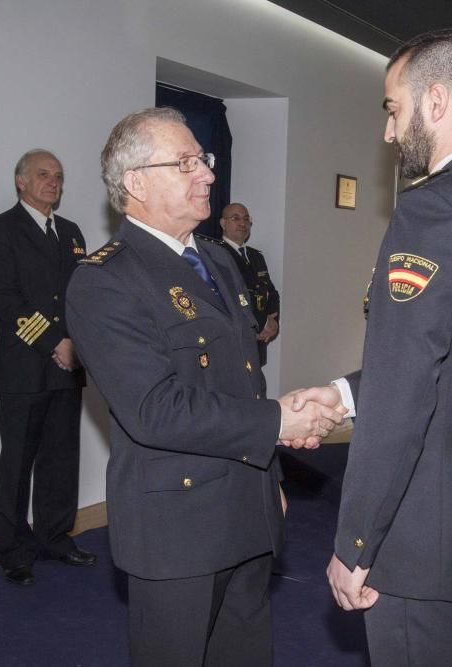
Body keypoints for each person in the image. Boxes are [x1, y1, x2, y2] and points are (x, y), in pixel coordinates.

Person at [290, 30, 452, 665]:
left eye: (392, 108)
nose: (388, 133)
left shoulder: (432, 212)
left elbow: (407, 394)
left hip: (424, 537)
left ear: (434, 101)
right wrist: (344, 393)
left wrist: (357, 543)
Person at [65, 107, 342, 667]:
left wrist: (269, 475)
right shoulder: (104, 280)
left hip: (246, 505)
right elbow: (154, 410)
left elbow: (241, 380)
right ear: (135, 183)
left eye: (205, 159)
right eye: (186, 162)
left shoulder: (216, 258)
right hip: (178, 525)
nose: (208, 174)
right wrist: (278, 423)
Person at [0, 149, 95, 587]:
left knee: (61, 459)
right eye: (44, 175)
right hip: (24, 367)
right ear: (20, 181)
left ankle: (55, 536)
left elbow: (82, 295)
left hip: (68, 367)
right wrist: (55, 343)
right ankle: (12, 549)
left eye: (59, 177)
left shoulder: (71, 232)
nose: (53, 182)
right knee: (17, 462)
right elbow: (5, 300)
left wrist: (78, 346)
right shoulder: (0, 229)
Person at [219, 203, 280, 367]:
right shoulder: (216, 254)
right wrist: (260, 324)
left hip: (257, 344)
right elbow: (230, 297)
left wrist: (273, 323)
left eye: (246, 219)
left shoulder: (255, 257)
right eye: (236, 218)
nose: (242, 224)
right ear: (223, 224)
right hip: (234, 341)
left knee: (258, 390)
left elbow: (271, 292)